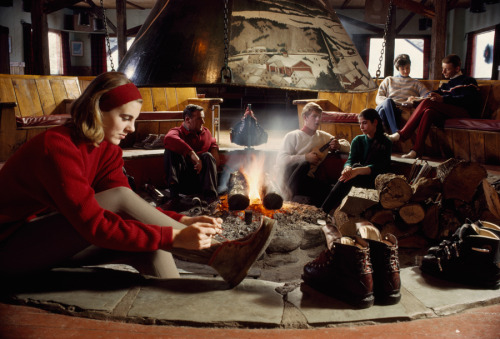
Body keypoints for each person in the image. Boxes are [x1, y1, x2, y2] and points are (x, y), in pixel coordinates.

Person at [0, 72, 275, 288]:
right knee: (119, 200)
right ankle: (221, 255)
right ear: (97, 110)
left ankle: (178, 325)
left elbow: (132, 208)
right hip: (11, 249)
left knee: (152, 249)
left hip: (53, 238)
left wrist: (183, 222)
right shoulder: (56, 147)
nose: (131, 128)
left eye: (134, 119)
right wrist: (176, 236)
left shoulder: (106, 148)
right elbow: (94, 224)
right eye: (125, 118)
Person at [388, 54, 481, 159]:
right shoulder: (446, 85)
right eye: (443, 69)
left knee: (428, 104)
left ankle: (402, 134)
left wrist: (443, 99)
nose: (443, 72)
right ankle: (416, 150)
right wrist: (415, 100)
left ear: (457, 68)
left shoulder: (468, 81)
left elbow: (468, 100)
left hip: (465, 112)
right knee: (429, 112)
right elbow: (430, 95)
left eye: (447, 69)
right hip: (448, 113)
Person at [276, 102, 350, 207]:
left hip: (306, 181)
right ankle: (285, 195)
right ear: (305, 117)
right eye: (314, 116)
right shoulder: (292, 136)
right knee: (304, 165)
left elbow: (347, 145)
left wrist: (338, 146)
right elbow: (280, 160)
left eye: (319, 117)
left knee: (333, 189)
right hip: (289, 176)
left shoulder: (323, 137)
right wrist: (305, 157)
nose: (318, 120)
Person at [321, 108, 392, 214]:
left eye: (365, 123)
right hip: (357, 177)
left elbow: (381, 167)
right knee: (351, 169)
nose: (361, 127)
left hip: (375, 181)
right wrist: (347, 168)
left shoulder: (386, 142)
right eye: (360, 123)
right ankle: (326, 210)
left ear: (375, 122)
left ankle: (323, 210)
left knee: (353, 170)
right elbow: (350, 160)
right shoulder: (358, 140)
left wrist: (357, 170)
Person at [163, 104, 219, 203]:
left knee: (207, 156)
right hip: (183, 183)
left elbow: (212, 142)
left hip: (201, 183)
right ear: (187, 120)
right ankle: (174, 197)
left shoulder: (206, 133)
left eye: (203, 118)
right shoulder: (177, 132)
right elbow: (168, 138)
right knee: (170, 151)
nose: (203, 122)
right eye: (199, 119)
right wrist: (192, 154)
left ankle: (211, 199)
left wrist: (214, 147)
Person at [375, 54, 430, 133]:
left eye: (407, 68)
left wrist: (414, 100)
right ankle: (396, 132)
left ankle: (386, 138)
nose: (406, 71)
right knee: (388, 101)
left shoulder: (416, 83)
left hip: (398, 111)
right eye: (402, 68)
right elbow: (378, 98)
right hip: (387, 105)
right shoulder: (389, 80)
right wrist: (396, 103)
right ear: (398, 68)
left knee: (383, 112)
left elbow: (427, 96)